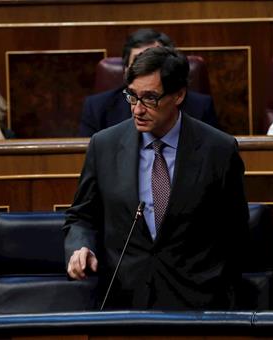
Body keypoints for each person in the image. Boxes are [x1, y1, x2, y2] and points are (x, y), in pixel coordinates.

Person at [63, 46, 249, 310]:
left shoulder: (218, 149)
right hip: (124, 300)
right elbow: (81, 215)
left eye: (150, 98)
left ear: (179, 95)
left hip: (198, 302)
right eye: (132, 97)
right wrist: (80, 247)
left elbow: (235, 231)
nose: (137, 109)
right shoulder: (104, 145)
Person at [78, 28, 220, 137]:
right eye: (139, 61)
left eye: (153, 62)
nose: (138, 110)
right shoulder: (97, 108)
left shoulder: (200, 107)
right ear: (126, 70)